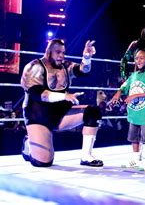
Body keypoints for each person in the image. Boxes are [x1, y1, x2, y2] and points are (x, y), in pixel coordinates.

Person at [20, 39, 103, 167]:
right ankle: (29, 143)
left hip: (60, 113)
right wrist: (64, 96)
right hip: (38, 115)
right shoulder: (34, 67)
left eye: (63, 53)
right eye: (58, 52)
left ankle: (86, 156)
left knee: (92, 112)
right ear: (48, 52)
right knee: (44, 161)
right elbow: (38, 94)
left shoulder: (65, 66)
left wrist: (86, 58)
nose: (61, 56)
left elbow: (83, 70)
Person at [111, 50, 145, 171]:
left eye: (141, 58)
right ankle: (136, 159)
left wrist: (135, 96)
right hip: (134, 111)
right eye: (136, 58)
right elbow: (123, 86)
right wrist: (118, 92)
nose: (138, 60)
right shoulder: (133, 76)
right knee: (134, 137)